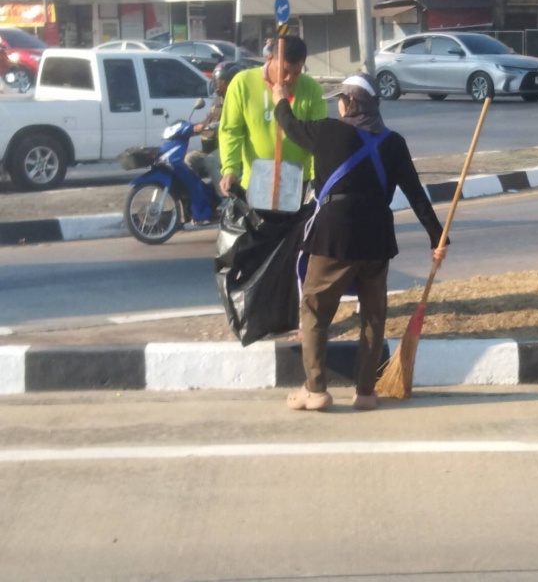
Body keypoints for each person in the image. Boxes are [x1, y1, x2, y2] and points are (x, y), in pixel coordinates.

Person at [271, 72, 449, 412]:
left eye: (341, 99)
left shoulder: (328, 131)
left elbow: (289, 126)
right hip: (377, 237)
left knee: (314, 309)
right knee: (372, 315)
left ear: (350, 103)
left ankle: (316, 389)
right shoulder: (394, 142)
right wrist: (437, 238)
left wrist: (280, 97)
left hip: (335, 234)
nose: (338, 104)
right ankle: (365, 391)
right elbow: (416, 194)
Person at [218, 35, 327, 200]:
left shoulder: (312, 89)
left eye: (296, 73)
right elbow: (231, 132)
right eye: (284, 71)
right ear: (270, 58)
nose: (289, 79)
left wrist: (316, 179)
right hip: (255, 184)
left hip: (299, 185)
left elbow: (319, 139)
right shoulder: (243, 83)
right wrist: (230, 169)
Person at [184, 60, 242, 195]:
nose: (218, 83)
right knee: (188, 160)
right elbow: (208, 119)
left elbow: (233, 124)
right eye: (217, 80)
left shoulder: (236, 100)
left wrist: (217, 126)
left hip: (225, 148)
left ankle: (225, 197)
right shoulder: (218, 100)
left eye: (221, 81)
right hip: (208, 147)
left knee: (211, 161)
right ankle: (199, 194)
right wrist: (195, 127)